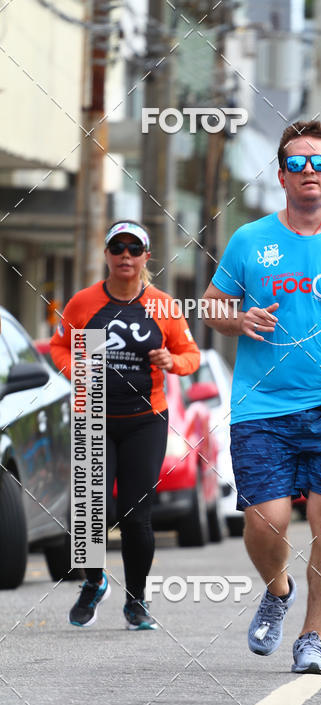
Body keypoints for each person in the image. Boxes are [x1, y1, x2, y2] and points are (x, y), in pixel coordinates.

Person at [202, 120, 321, 675]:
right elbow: (211, 307)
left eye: (318, 163)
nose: (307, 172)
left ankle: (312, 638)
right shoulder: (250, 240)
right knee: (264, 522)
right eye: (296, 163)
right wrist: (238, 318)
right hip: (263, 408)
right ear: (282, 175)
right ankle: (278, 589)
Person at [50, 221, 200, 628]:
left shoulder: (163, 306)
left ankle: (137, 600)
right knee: (90, 509)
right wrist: (76, 370)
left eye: (135, 250)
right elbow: (59, 345)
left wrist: (173, 362)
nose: (126, 256)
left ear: (146, 257)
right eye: (118, 248)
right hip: (93, 412)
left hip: (144, 420)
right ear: (107, 255)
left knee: (135, 515)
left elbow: (191, 356)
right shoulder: (83, 303)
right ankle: (94, 581)